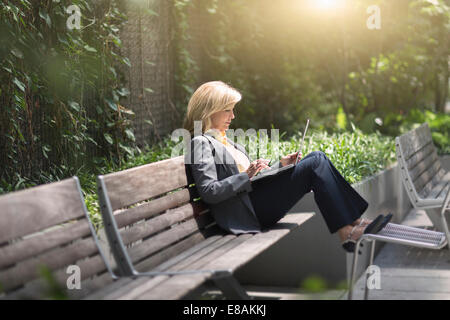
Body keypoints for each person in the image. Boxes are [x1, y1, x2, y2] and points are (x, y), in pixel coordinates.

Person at [184, 81, 391, 253]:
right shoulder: (200, 142)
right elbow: (209, 191)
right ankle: (349, 228)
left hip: (254, 202)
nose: (233, 116)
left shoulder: (226, 141)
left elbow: (251, 181)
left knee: (316, 157)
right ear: (210, 111)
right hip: (248, 213)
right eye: (227, 110)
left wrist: (279, 165)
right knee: (315, 162)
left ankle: (352, 225)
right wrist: (246, 175)